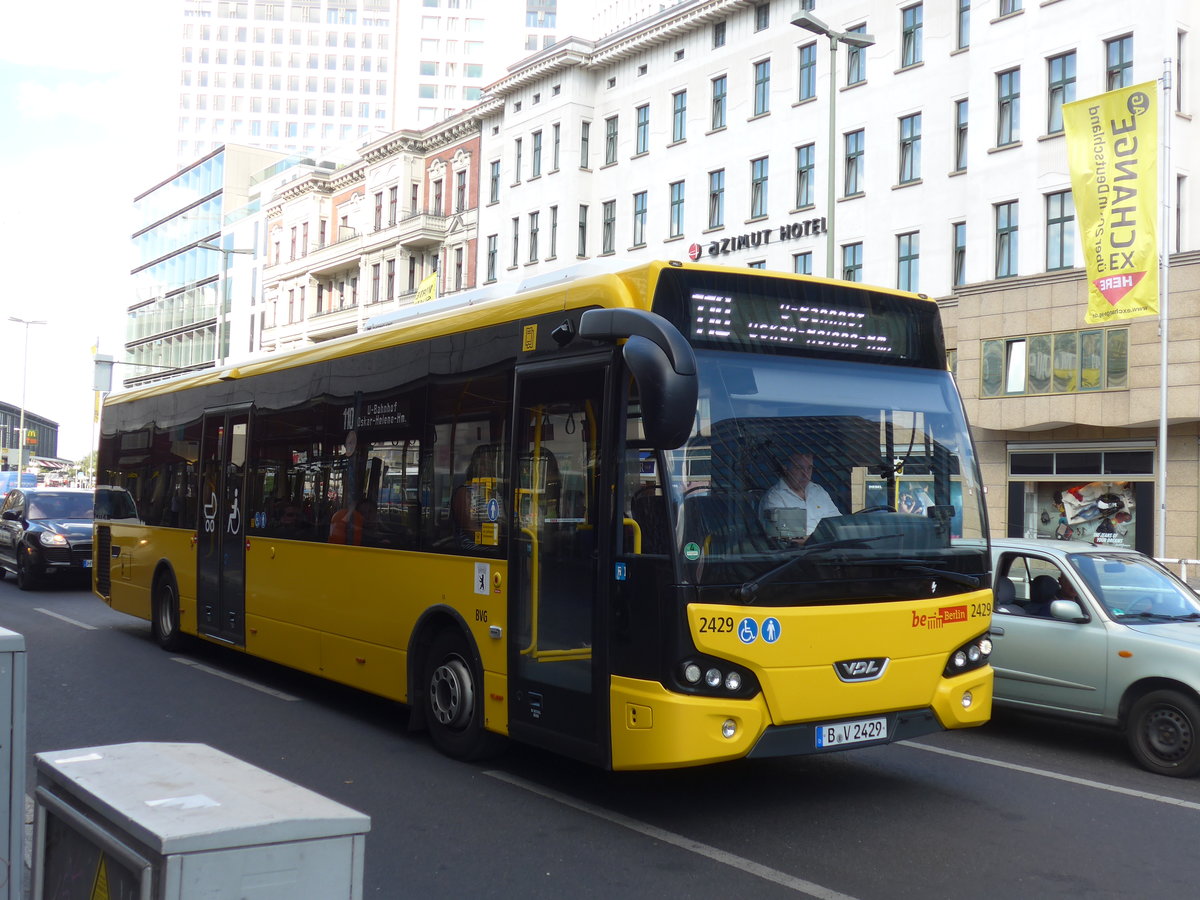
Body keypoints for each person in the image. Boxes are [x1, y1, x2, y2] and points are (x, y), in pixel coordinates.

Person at [759, 451, 842, 545]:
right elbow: (787, 541)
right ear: (785, 468)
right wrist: (824, 538)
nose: (805, 474)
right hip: (798, 557)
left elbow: (839, 525)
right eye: (799, 468)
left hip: (834, 554)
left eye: (809, 468)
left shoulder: (818, 491)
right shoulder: (774, 498)